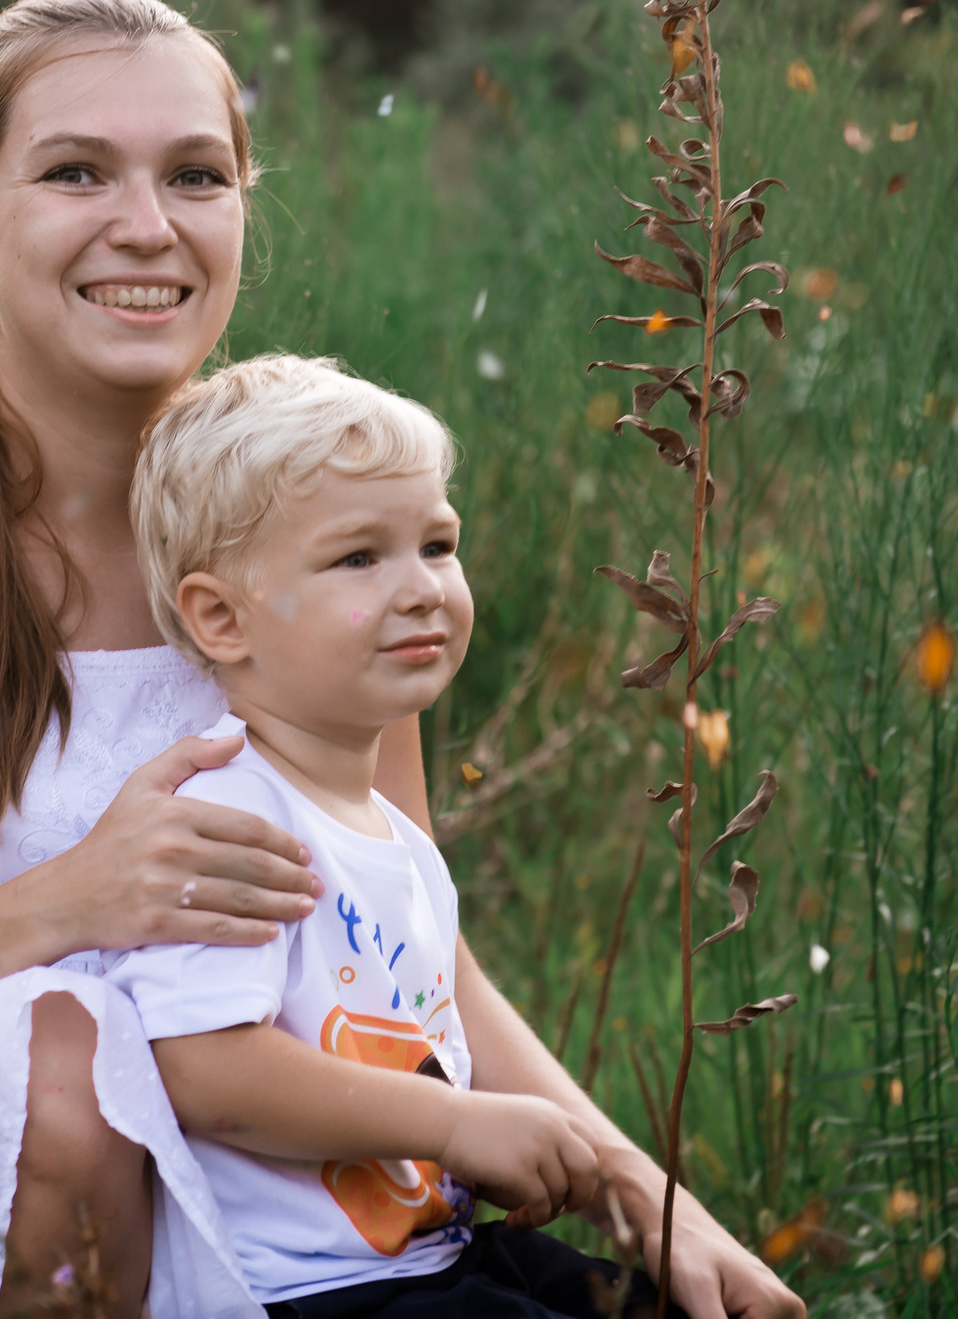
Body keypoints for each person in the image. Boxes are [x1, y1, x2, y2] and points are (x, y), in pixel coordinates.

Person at [0, 0, 804, 1319]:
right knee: (61, 1080)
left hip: (297, 1209)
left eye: (196, 175)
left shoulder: (321, 535)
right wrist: (61, 906)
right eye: (76, 170)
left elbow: (409, 947)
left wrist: (637, 1188)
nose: (147, 225)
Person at [108, 353, 659, 1317]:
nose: (420, 588)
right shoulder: (233, 815)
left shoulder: (392, 832)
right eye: (360, 557)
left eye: (437, 545)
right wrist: (455, 1123)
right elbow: (205, 1068)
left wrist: (489, 1149)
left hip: (429, 1253)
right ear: (221, 617)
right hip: (314, 1290)